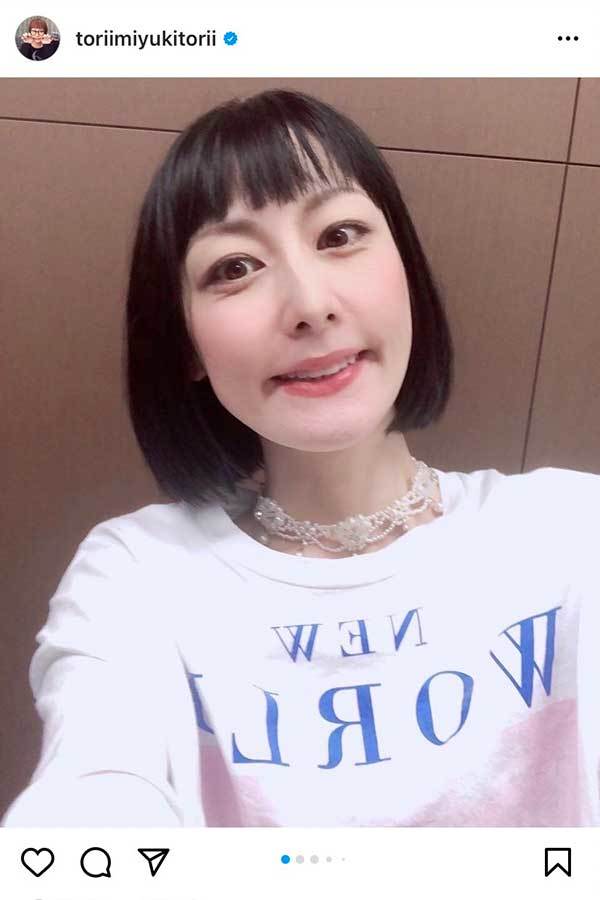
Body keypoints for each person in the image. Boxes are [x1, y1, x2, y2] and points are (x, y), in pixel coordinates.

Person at [3, 89, 599, 827]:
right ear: (186, 344)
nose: (311, 305)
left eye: (340, 234)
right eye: (235, 267)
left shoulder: (571, 533)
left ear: (406, 270)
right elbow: (95, 778)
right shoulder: (136, 577)